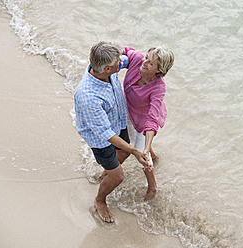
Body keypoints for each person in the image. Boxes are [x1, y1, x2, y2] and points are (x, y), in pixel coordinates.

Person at [74, 41, 152, 223]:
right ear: (108, 68)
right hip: (100, 139)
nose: (121, 61)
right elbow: (107, 135)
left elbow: (131, 59)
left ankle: (106, 172)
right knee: (118, 177)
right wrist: (135, 151)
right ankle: (99, 200)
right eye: (118, 61)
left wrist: (151, 61)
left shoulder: (104, 67)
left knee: (123, 151)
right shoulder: (88, 96)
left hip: (116, 122)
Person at [122, 46, 174, 201]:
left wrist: (144, 148)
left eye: (151, 63)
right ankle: (153, 154)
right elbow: (123, 50)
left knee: (141, 155)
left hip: (143, 121)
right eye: (146, 57)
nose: (144, 62)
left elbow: (152, 119)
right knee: (129, 141)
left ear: (158, 71)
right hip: (127, 108)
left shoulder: (158, 87)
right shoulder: (137, 59)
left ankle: (152, 187)